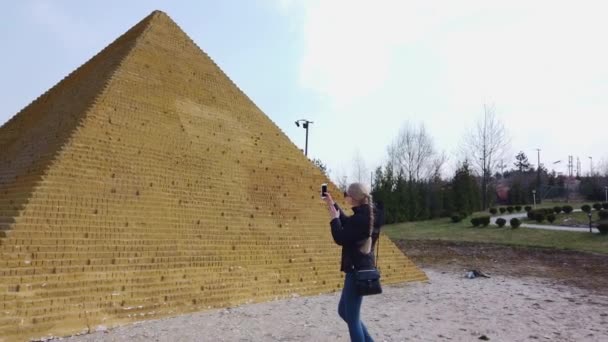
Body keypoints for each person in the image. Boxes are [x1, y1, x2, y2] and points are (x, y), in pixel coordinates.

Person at [323, 183, 375, 342]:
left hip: (356, 271)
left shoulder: (361, 218)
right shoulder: (364, 214)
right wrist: (332, 205)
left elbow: (341, 237)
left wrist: (333, 219)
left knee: (352, 319)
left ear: (353, 197)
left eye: (347, 194)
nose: (346, 197)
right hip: (357, 268)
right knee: (344, 311)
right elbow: (348, 223)